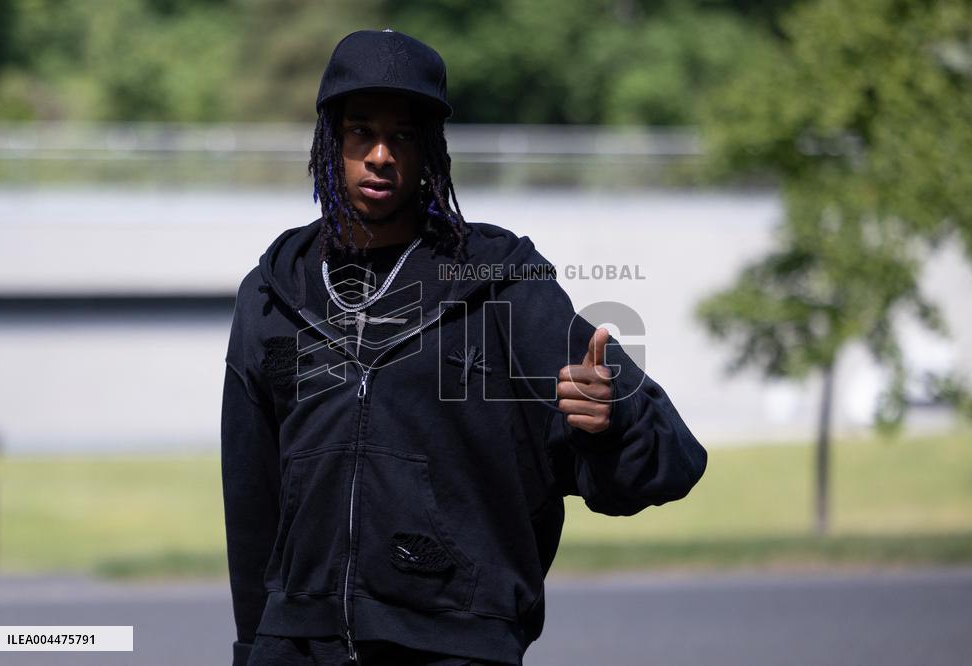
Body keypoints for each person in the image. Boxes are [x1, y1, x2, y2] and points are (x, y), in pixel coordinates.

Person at [221, 28, 708, 666]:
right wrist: (253, 648)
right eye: (361, 131)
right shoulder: (271, 293)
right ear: (328, 141)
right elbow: (251, 502)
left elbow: (674, 460)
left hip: (453, 643)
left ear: (430, 151)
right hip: (297, 646)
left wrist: (611, 422)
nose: (380, 155)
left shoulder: (500, 279)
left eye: (403, 136)